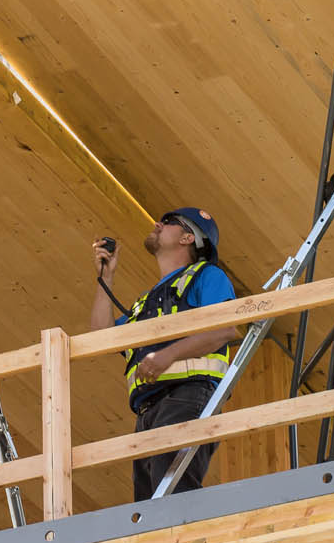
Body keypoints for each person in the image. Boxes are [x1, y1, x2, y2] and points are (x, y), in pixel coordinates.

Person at [91, 207, 237, 501]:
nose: (157, 224)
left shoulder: (207, 276)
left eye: (168, 222)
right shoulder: (144, 303)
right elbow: (101, 335)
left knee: (172, 495)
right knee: (150, 508)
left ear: (187, 238)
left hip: (188, 396)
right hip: (148, 412)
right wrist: (106, 275)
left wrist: (167, 356)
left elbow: (224, 331)